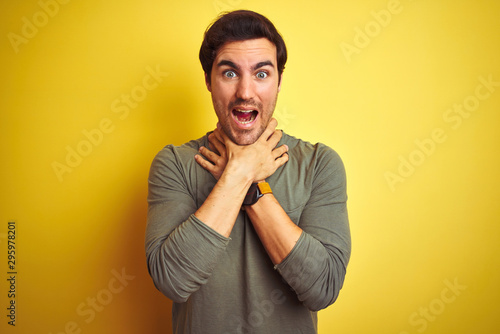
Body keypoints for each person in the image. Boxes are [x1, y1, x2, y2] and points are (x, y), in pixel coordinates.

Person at [145, 10, 351, 334]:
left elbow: (322, 287)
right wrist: (240, 171)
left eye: (261, 74)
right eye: (229, 73)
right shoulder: (174, 164)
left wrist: (251, 184)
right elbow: (172, 279)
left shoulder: (319, 165)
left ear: (279, 81)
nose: (245, 92)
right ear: (208, 81)